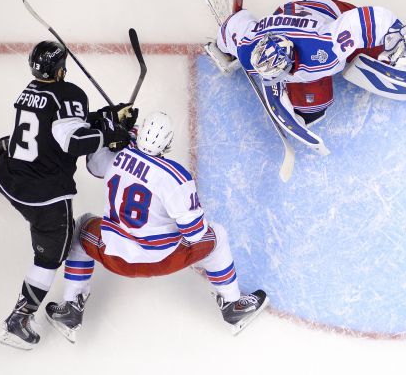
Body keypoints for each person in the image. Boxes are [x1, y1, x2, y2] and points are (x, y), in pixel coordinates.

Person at [44, 111, 268, 343]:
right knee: (216, 236)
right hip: (162, 260)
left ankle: (71, 306)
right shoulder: (175, 176)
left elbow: (93, 165)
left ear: (139, 133)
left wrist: (120, 132)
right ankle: (232, 305)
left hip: (113, 255)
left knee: (82, 227)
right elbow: (195, 234)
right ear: (168, 142)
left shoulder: (118, 156)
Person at [0, 41, 135, 350]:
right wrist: (109, 132)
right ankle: (18, 320)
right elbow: (73, 142)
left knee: (2, 146)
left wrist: (101, 117)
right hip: (43, 197)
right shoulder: (70, 94)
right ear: (60, 68)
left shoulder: (30, 90)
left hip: (9, 177)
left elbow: (55, 122)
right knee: (50, 256)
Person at [205, 0, 406, 152]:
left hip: (332, 15)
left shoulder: (326, 46)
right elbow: (234, 25)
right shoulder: (246, 47)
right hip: (292, 17)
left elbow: (376, 18)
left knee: (389, 78)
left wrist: (398, 36)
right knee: (311, 111)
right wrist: (222, 48)